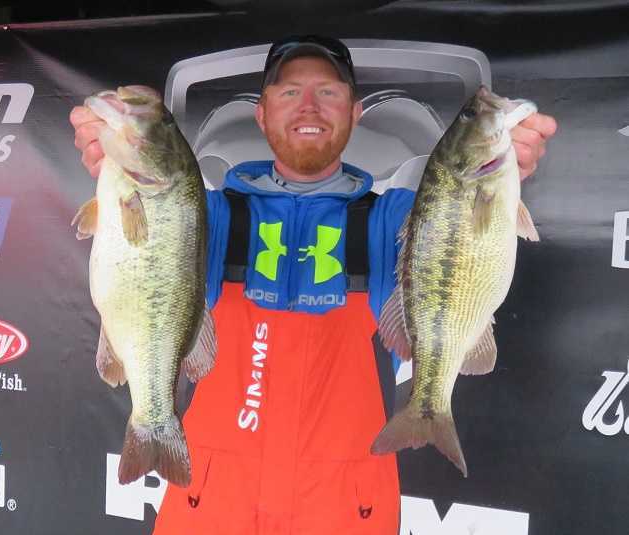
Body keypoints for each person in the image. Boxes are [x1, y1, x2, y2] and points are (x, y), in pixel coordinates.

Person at [70, 35, 557, 535]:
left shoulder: (395, 220)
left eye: (328, 91)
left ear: (355, 112)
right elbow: (149, 243)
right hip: (210, 506)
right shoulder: (202, 213)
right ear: (261, 114)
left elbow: (456, 228)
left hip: (346, 512)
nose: (308, 106)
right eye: (289, 92)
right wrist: (119, 156)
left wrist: (498, 171)